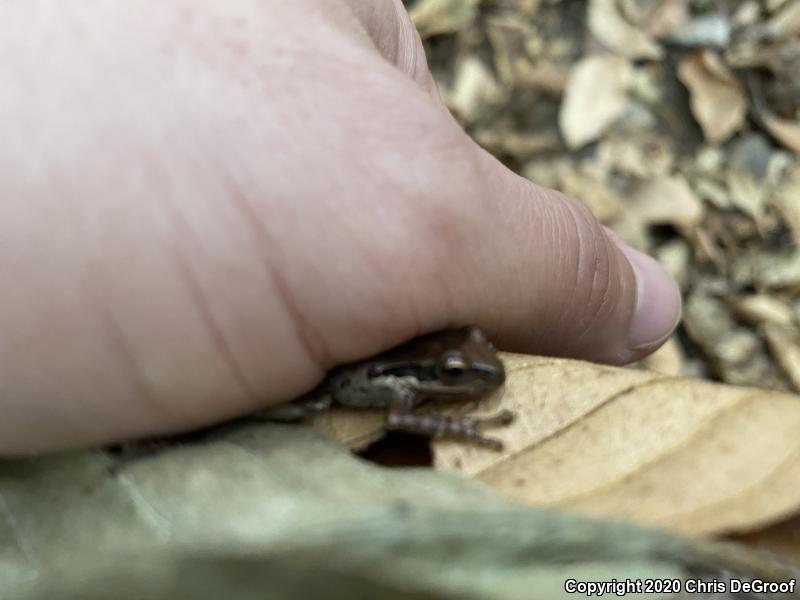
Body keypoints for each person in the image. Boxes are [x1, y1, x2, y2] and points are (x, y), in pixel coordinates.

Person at [0, 0, 681, 454]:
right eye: (450, 368)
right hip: (320, 383)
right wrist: (459, 425)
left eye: (460, 359)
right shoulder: (398, 382)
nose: (471, 369)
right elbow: (401, 414)